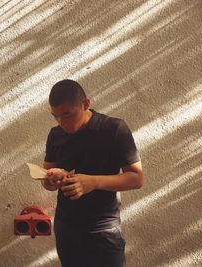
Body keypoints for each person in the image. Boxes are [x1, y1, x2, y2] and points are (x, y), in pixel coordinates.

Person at [41, 79, 144, 267]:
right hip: (66, 227)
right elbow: (45, 178)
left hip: (103, 230)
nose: (61, 122)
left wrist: (93, 182)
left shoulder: (114, 129)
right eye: (55, 116)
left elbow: (137, 179)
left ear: (86, 104)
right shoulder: (55, 134)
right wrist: (51, 180)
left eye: (67, 115)